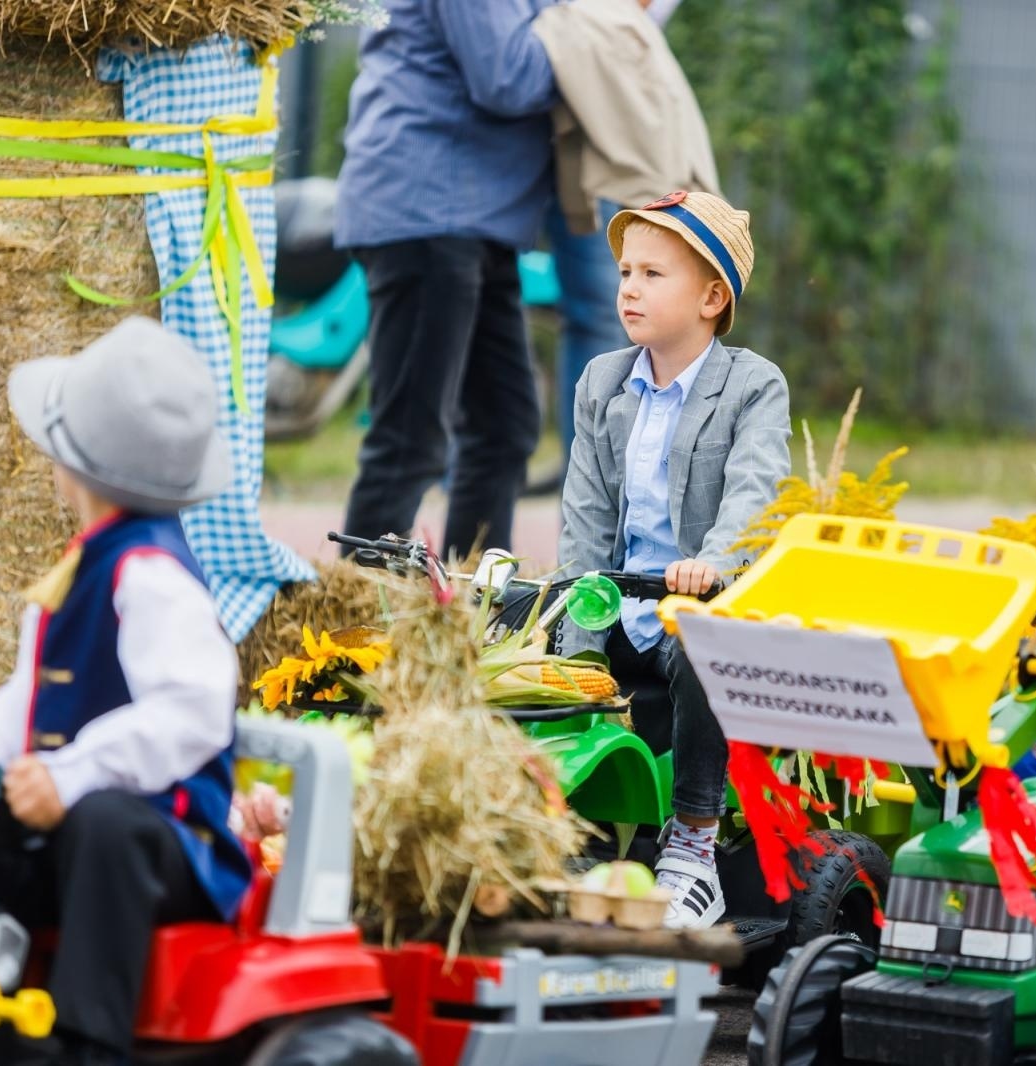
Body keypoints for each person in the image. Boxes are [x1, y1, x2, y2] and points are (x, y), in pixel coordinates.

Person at [0, 317, 247, 1065]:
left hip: (169, 846)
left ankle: (88, 1043)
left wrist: (70, 775)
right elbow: (25, 700)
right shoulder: (85, 564)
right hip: (67, 819)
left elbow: (194, 711)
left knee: (105, 825)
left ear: (73, 463)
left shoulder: (150, 574)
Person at [557, 190, 790, 928]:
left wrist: (713, 562)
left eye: (653, 274)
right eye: (626, 272)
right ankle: (566, 823)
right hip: (621, 602)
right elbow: (586, 517)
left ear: (712, 298)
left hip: (699, 604)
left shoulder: (752, 386)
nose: (629, 288)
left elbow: (755, 496)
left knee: (702, 642)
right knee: (535, 649)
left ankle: (693, 844)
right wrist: (574, 617)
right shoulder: (602, 382)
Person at [334, 2, 556, 560]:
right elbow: (507, 75)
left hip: (476, 217)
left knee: (504, 425)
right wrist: (593, 36)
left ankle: (474, 602)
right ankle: (358, 608)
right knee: (410, 438)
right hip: (429, 207)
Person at [531, 0, 719, 483]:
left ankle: (645, 493)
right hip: (601, 178)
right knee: (604, 326)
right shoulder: (569, 21)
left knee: (658, 332)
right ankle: (594, 501)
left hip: (644, 170)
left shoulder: (627, 24)